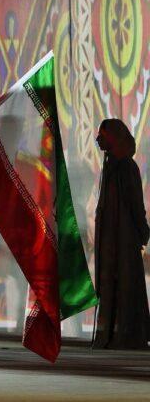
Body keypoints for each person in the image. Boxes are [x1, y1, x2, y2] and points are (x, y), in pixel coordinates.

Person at [93, 119, 150, 349]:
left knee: (126, 287)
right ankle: (109, 335)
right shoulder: (111, 166)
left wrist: (142, 231)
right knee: (110, 286)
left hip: (124, 240)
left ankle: (127, 336)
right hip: (110, 241)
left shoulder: (126, 167)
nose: (98, 140)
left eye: (103, 135)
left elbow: (136, 204)